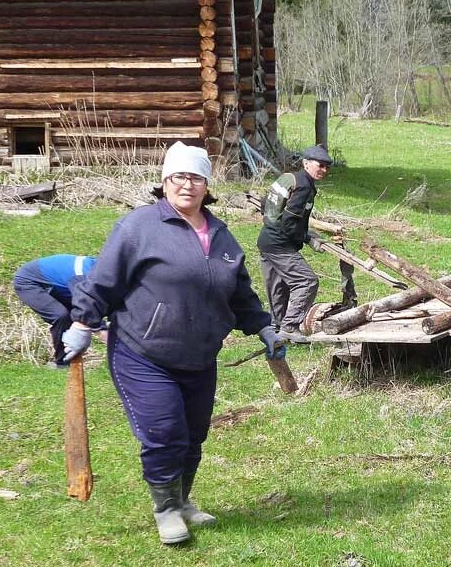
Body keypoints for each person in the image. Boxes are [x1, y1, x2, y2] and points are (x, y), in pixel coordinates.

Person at [62, 142, 285, 546]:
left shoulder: (221, 235)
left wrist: (264, 327)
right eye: (178, 176)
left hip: (200, 355)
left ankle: (182, 501)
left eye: (196, 177)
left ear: (207, 185)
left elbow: (239, 294)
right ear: (165, 181)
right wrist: (82, 322)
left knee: (193, 433)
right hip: (143, 353)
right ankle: (165, 510)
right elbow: (103, 281)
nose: (187, 184)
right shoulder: (138, 228)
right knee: (164, 431)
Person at [256, 144, 336, 343]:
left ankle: (276, 327)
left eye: (327, 167)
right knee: (306, 281)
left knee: (278, 286)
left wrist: (306, 232)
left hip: (266, 240)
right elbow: (290, 222)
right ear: (306, 163)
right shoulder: (303, 186)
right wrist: (308, 238)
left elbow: (265, 204)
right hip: (279, 243)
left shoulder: (289, 178)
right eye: (321, 165)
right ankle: (290, 327)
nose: (324, 170)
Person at [12, 254, 96, 367]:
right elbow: (86, 305)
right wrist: (102, 330)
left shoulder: (110, 274)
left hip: (61, 286)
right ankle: (62, 364)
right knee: (61, 316)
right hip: (31, 282)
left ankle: (73, 364)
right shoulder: (83, 275)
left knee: (77, 316)